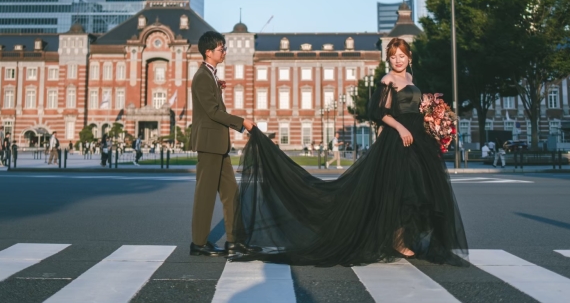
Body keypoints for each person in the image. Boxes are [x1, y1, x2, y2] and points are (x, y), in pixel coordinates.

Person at [232, 38, 468, 267]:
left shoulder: (410, 77)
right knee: (399, 190)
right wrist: (401, 127)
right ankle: (396, 240)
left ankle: (403, 237)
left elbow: (417, 106)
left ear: (409, 57)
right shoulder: (388, 80)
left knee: (418, 188)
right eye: (394, 56)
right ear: (389, 59)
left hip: (417, 139)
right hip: (398, 139)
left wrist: (432, 118)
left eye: (402, 56)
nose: (398, 60)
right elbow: (379, 112)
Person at [189, 31, 256, 257]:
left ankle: (235, 241)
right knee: (205, 196)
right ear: (208, 52)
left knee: (231, 193)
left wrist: (218, 87)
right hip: (209, 144)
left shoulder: (210, 76)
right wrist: (242, 122)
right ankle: (198, 243)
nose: (224, 52)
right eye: (221, 49)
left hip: (218, 144)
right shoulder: (201, 77)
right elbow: (213, 112)